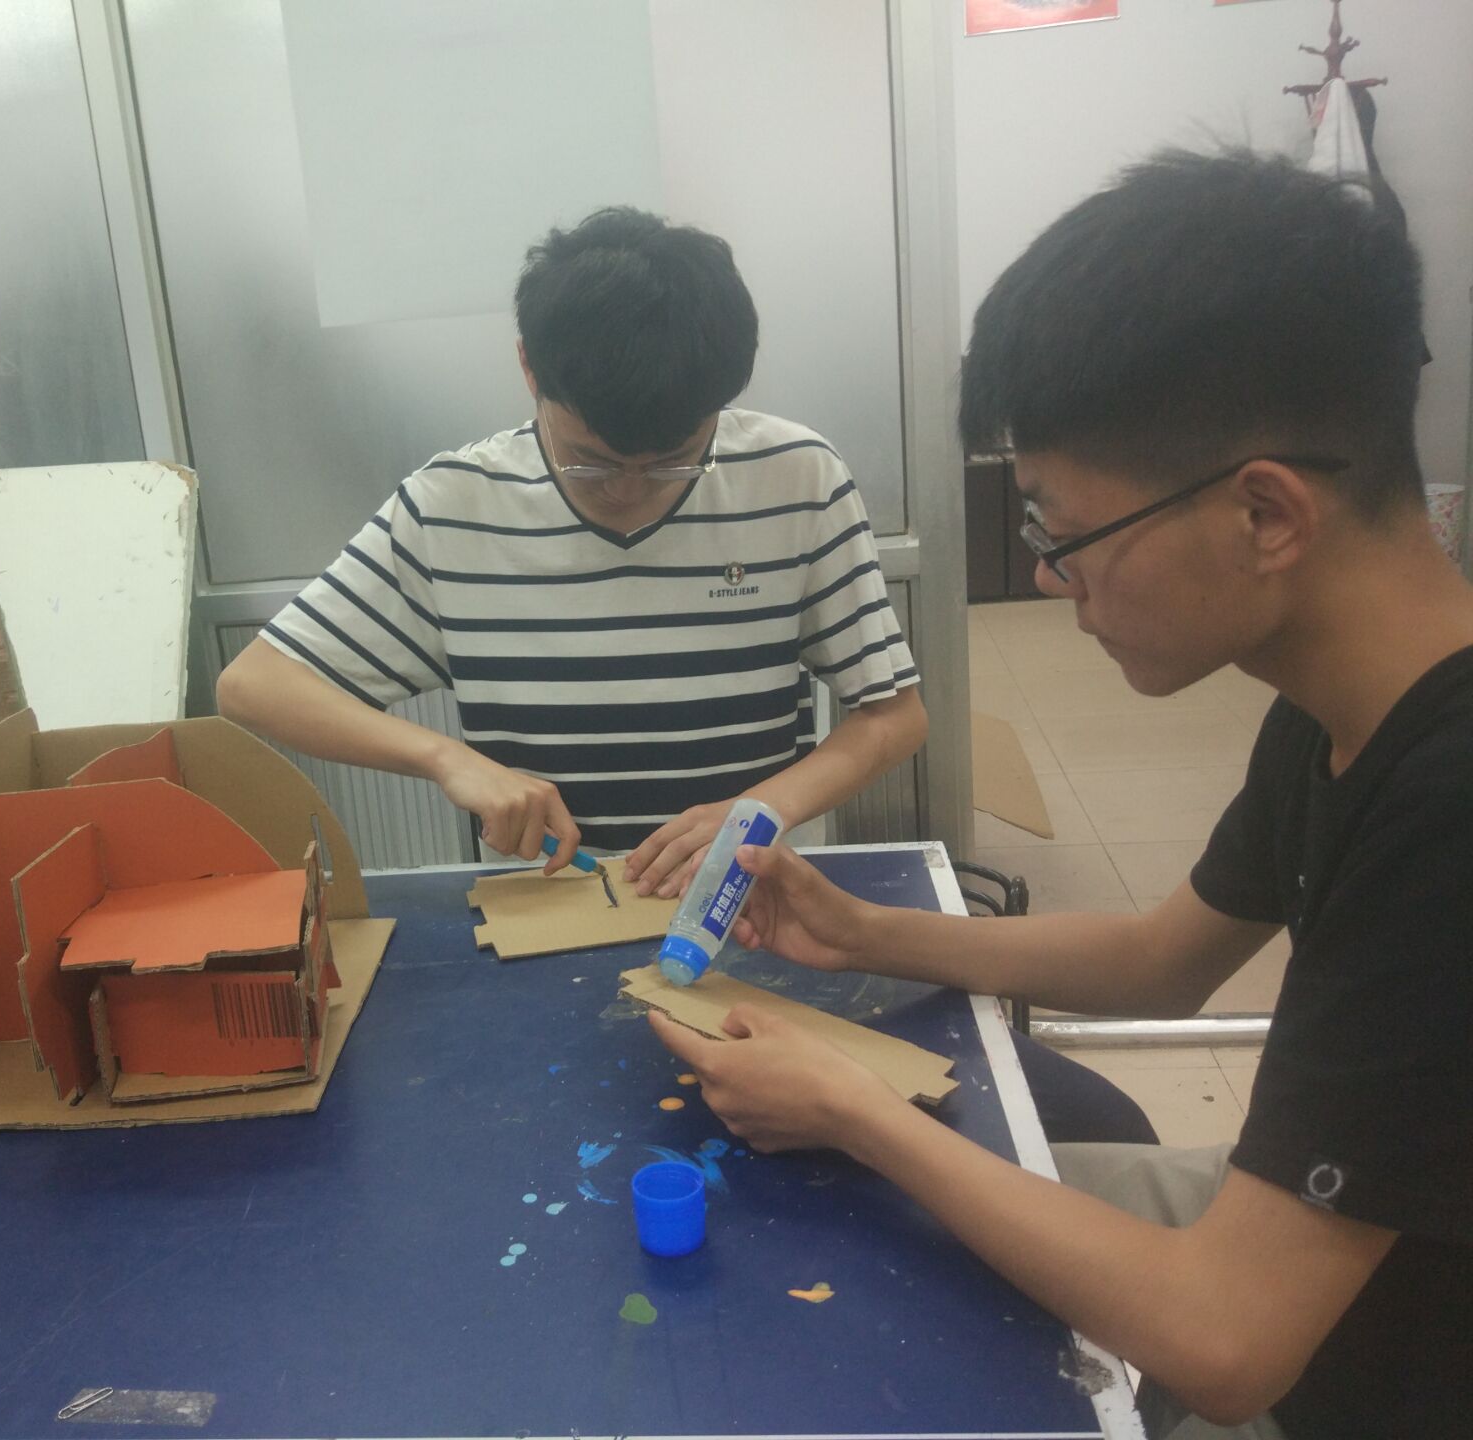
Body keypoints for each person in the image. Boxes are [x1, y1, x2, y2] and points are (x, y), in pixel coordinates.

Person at [648, 149, 1471, 1439]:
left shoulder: (1447, 811)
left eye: (1061, 530)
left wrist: (857, 1110)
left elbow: (1228, 1343)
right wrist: (858, 932)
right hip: (1325, 1265)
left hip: (1365, 1376)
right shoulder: (1340, 709)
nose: (1046, 578)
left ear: (1265, 514)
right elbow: (1159, 964)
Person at [217, 206, 927, 893]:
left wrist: (762, 811)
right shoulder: (452, 508)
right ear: (529, 368)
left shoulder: (797, 478)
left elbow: (893, 715)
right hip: (546, 906)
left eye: (673, 462)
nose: (627, 491)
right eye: (591, 461)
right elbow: (254, 686)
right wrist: (444, 758)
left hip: (745, 900)